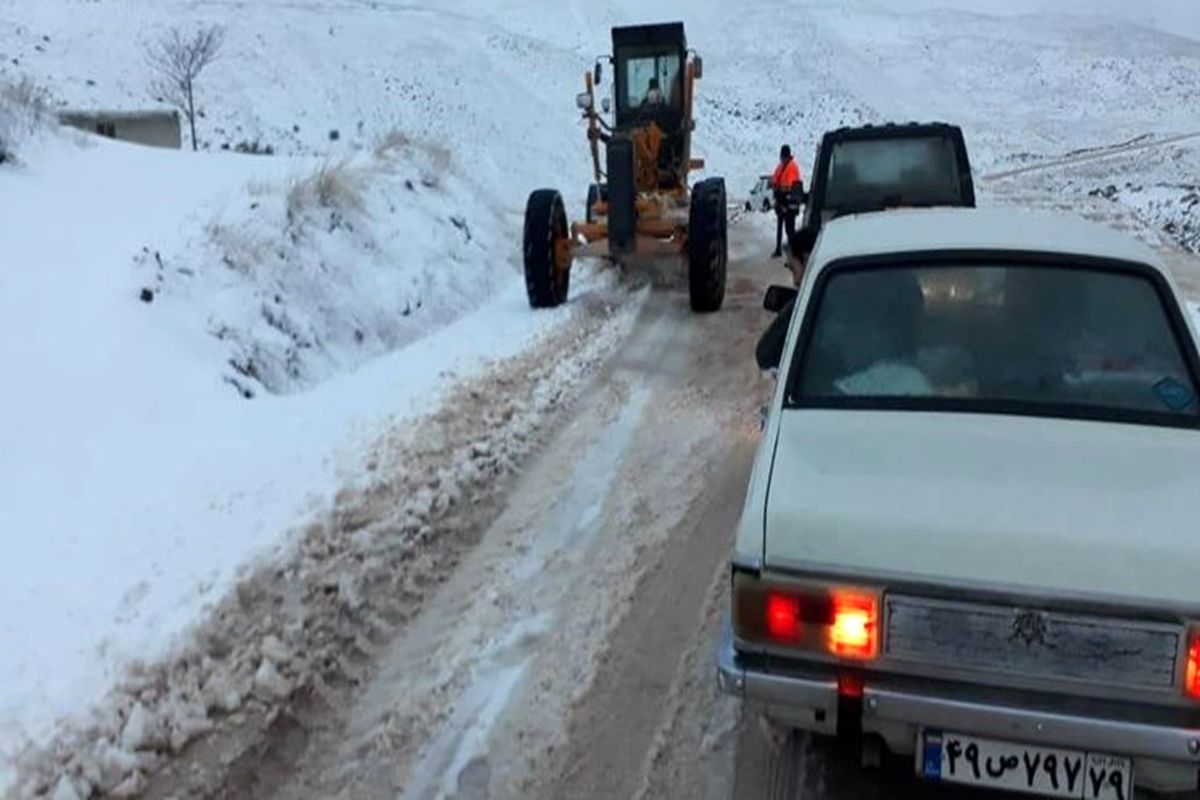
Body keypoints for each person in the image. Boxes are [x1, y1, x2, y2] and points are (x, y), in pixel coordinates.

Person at [770, 145, 803, 258]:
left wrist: (785, 198)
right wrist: (774, 187)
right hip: (781, 200)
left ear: (787, 156)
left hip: (789, 202)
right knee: (780, 227)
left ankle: (794, 251)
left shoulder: (792, 167)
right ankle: (778, 249)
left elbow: (791, 186)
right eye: (781, 157)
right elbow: (775, 179)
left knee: (790, 229)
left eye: (783, 157)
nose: (782, 159)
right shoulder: (781, 166)